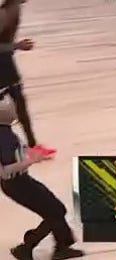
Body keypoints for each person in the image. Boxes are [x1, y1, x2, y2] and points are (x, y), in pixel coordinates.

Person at [0, 99, 83, 260]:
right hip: (16, 184)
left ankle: (47, 246)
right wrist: (32, 160)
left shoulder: (6, 131)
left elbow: (16, 154)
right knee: (56, 210)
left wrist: (34, 156)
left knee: (56, 210)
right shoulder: (2, 137)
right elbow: (4, 172)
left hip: (21, 181)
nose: (14, 110)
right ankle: (33, 247)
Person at [0, 0, 49, 154]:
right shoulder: (3, 15)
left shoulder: (16, 11)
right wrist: (16, 46)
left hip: (6, 62)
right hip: (2, 64)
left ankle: (33, 145)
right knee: (17, 103)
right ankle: (32, 145)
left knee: (19, 102)